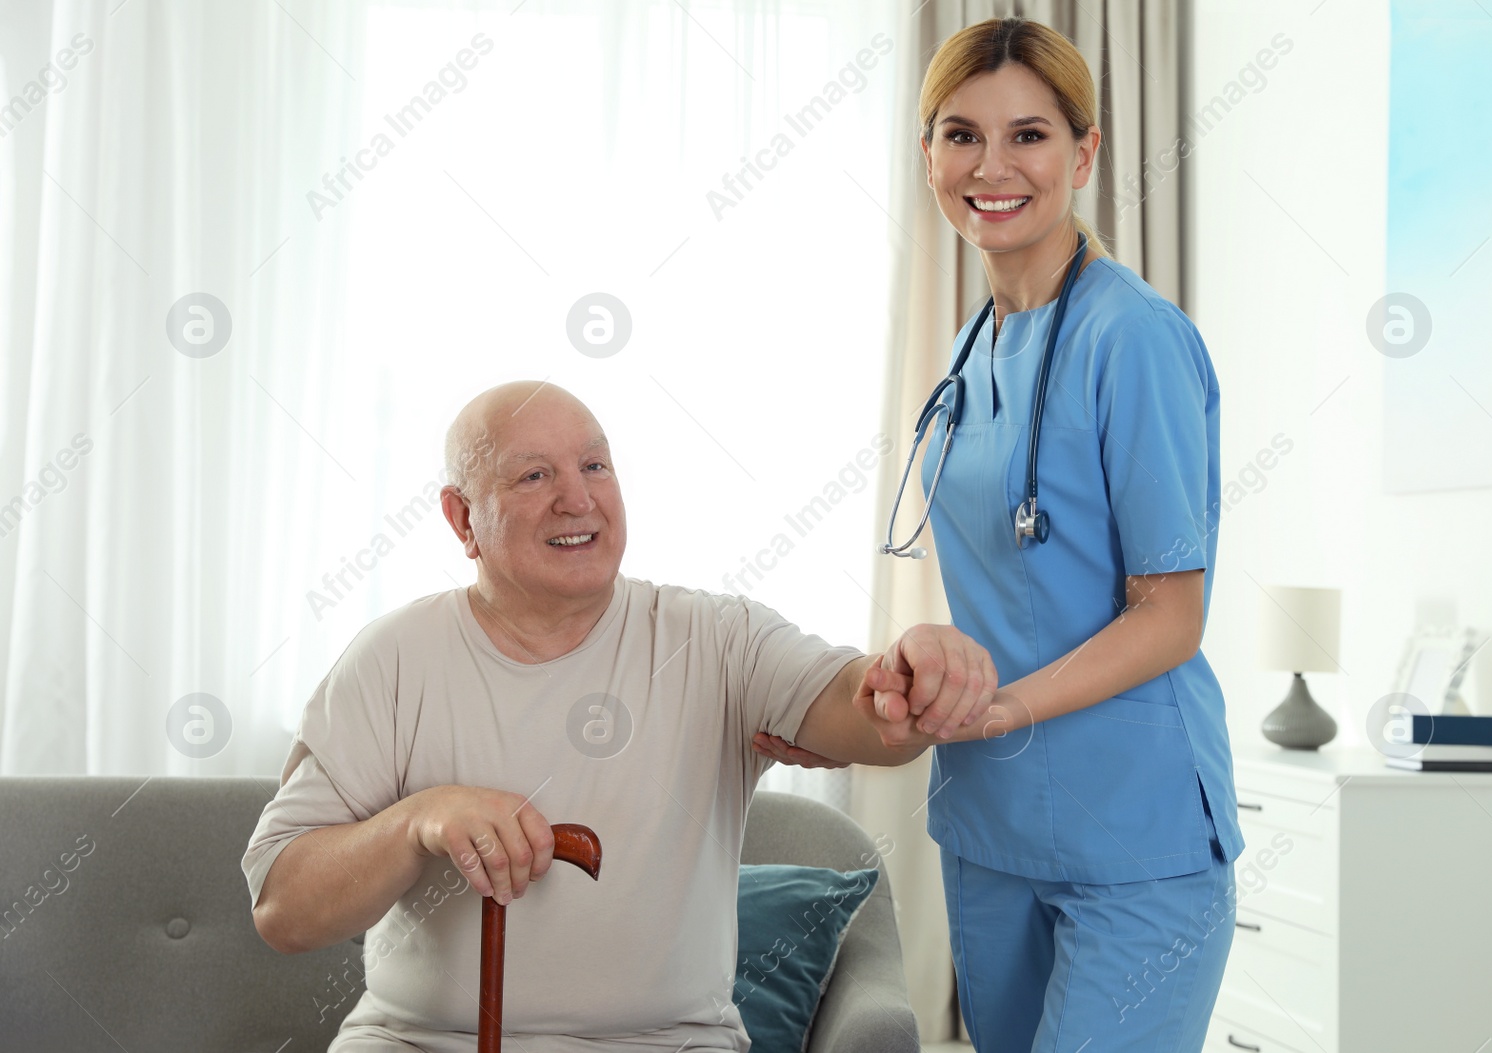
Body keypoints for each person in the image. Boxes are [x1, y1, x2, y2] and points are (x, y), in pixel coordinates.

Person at [756, 16, 1246, 1053]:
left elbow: (1170, 617)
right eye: (959, 134)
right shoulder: (971, 348)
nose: (992, 165)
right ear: (926, 154)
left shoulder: (1134, 340)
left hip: (1134, 832)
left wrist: (1003, 706)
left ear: (1083, 152)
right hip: (994, 823)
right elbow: (1007, 591)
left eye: (1027, 134)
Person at [243, 380, 996, 1053]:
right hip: (414, 1039)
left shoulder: (714, 637)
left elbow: (852, 706)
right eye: (535, 475)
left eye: (595, 466)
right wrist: (418, 820)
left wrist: (908, 679)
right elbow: (284, 908)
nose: (578, 499)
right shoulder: (391, 659)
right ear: (461, 517)